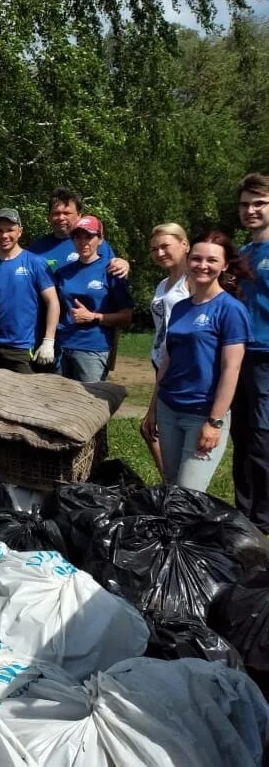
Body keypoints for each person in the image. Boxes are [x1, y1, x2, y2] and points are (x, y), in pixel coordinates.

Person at [141, 238, 250, 492]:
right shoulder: (180, 308)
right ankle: (174, 532)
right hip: (169, 409)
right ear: (188, 261)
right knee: (172, 488)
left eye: (212, 260)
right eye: (197, 259)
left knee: (189, 494)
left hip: (202, 414)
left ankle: (192, 532)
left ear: (223, 266)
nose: (203, 265)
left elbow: (231, 370)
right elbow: (167, 360)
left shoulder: (231, 310)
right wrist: (154, 408)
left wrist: (214, 423)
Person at [0, 207, 59, 373]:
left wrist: (48, 341)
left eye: (10, 230)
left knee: (23, 398)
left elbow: (53, 302)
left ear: (20, 232)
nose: (4, 235)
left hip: (22, 350)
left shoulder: (35, 263)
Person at [53, 215, 134, 382]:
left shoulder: (112, 271)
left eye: (89, 237)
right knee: (59, 405)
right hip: (62, 347)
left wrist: (93, 317)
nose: (83, 242)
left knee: (89, 404)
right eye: (78, 237)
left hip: (92, 349)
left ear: (100, 239)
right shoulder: (63, 272)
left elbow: (126, 317)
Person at [234, 172, 269, 530]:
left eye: (259, 203)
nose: (251, 210)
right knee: (241, 436)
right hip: (241, 355)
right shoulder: (243, 252)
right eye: (245, 204)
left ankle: (262, 519)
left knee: (263, 438)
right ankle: (243, 512)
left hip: (267, 356)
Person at [143, 223, 192, 478]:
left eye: (165, 246)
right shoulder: (163, 284)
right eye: (154, 249)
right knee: (152, 428)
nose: (159, 253)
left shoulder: (192, 280)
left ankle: (176, 487)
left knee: (158, 427)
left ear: (184, 245)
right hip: (160, 359)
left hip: (179, 363)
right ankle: (170, 485)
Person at [26, 188, 129, 276]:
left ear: (79, 215)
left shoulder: (94, 244)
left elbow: (114, 273)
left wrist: (123, 264)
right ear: (49, 216)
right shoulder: (36, 248)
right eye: (56, 213)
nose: (61, 218)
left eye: (66, 213)